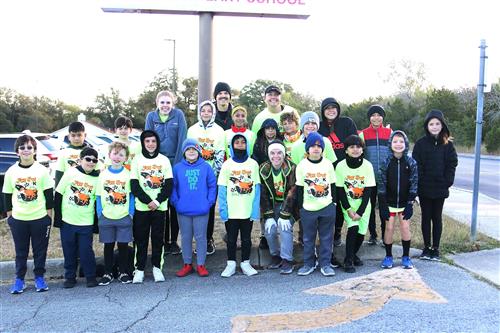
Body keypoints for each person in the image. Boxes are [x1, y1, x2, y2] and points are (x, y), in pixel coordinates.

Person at [3, 134, 54, 294]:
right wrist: (10, 217)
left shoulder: (41, 170)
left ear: (34, 150)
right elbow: (6, 195)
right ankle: (19, 280)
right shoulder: (11, 171)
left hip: (39, 218)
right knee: (21, 251)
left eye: (29, 147)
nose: (26, 150)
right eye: (22, 147)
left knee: (40, 251)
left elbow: (48, 194)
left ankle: (39, 277)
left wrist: (48, 216)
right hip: (19, 219)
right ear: (17, 151)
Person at [145, 90, 187, 255]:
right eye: (162, 102)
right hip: (157, 166)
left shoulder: (178, 115)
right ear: (157, 103)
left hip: (175, 163)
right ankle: (161, 241)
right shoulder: (151, 117)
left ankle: (173, 241)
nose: (165, 106)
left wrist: (176, 165)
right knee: (161, 204)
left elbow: (182, 139)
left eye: (168, 102)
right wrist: (154, 163)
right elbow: (148, 139)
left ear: (173, 103)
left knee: (174, 204)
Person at [412, 109, 457, 261]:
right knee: (426, 217)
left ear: (442, 125)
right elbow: (416, 165)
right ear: (427, 126)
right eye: (431, 124)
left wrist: (447, 182)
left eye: (437, 123)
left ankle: (435, 248)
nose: (435, 126)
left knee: (437, 217)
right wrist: (420, 184)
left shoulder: (448, 145)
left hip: (440, 188)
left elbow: (452, 163)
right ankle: (426, 248)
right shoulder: (420, 144)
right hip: (425, 188)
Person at [130, 130, 173, 283]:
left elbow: (168, 185)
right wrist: (148, 201)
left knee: (157, 238)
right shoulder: (137, 160)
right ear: (143, 143)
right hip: (142, 208)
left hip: (160, 207)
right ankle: (139, 269)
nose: (150, 144)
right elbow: (134, 185)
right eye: (147, 141)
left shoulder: (164, 160)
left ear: (157, 143)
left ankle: (157, 267)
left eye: (153, 141)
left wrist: (157, 201)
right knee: (140, 239)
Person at [54, 147, 100, 288]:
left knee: (86, 250)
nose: (91, 162)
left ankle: (90, 276)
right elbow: (59, 195)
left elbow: (96, 202)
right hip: (67, 220)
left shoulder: (97, 178)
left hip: (85, 221)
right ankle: (70, 277)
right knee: (69, 250)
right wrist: (58, 218)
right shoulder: (70, 173)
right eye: (88, 159)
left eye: (94, 160)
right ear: (80, 160)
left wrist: (95, 224)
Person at [171, 139, 217, 277]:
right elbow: (173, 186)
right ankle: (187, 264)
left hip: (201, 209)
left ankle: (201, 264)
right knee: (185, 237)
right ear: (184, 152)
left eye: (194, 149)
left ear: (198, 152)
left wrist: (209, 201)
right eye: (188, 149)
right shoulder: (178, 168)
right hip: (183, 209)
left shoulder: (206, 167)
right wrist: (175, 201)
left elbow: (212, 185)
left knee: (201, 237)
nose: (191, 152)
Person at [218, 133, 261, 277]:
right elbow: (222, 188)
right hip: (232, 211)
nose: (240, 145)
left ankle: (245, 263)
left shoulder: (253, 164)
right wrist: (223, 209)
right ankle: (231, 264)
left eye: (243, 142)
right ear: (232, 146)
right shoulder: (227, 165)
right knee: (231, 239)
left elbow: (257, 188)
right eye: (237, 143)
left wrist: (255, 210)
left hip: (247, 210)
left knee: (246, 238)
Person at [318, 97, 358, 248]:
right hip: (324, 171)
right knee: (328, 204)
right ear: (323, 111)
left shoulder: (346, 123)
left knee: (342, 203)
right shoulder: (319, 126)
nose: (331, 110)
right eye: (327, 108)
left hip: (344, 170)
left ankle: (337, 234)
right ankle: (325, 234)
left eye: (333, 107)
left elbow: (354, 143)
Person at [295, 132, 337, 276]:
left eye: (319, 146)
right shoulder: (302, 166)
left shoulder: (328, 164)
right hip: (308, 208)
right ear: (307, 149)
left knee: (326, 237)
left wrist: (334, 204)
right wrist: (301, 208)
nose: (316, 148)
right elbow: (300, 189)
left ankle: (325, 264)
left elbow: (333, 185)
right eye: (312, 145)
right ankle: (309, 263)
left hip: (327, 206)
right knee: (308, 238)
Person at [187, 100, 225, 255]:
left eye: (209, 111)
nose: (206, 113)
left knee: (208, 208)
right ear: (199, 112)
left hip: (211, 176)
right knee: (196, 208)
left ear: (213, 113)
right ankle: (197, 240)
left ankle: (208, 239)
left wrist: (213, 175)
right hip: (195, 175)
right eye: (203, 110)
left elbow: (220, 153)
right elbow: (188, 152)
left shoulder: (219, 131)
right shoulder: (192, 130)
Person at [335, 135, 376, 273]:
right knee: (353, 228)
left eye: (358, 147)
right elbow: (340, 190)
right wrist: (348, 209)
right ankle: (348, 260)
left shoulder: (367, 166)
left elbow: (368, 190)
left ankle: (353, 254)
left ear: (362, 149)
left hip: (363, 205)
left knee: (361, 232)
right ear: (346, 150)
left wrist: (360, 211)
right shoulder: (340, 166)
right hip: (348, 204)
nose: (355, 149)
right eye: (351, 147)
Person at [96, 142, 134, 285]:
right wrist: (100, 213)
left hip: (123, 215)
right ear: (109, 155)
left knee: (123, 246)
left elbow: (131, 196)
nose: (117, 157)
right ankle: (108, 272)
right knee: (108, 245)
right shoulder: (103, 175)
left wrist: (130, 213)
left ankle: (123, 272)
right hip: (107, 216)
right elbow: (98, 196)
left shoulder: (128, 175)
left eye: (121, 155)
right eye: (115, 154)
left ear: (126, 158)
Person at [378, 131, 418, 269]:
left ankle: (406, 257)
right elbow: (381, 184)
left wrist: (410, 203)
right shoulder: (386, 162)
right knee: (389, 228)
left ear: (405, 144)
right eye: (395, 141)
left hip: (404, 202)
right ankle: (388, 256)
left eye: (401, 141)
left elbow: (414, 183)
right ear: (390, 144)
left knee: (405, 227)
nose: (398, 144)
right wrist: (382, 204)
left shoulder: (411, 162)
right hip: (389, 202)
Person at [259, 140, 298, 274]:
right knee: (269, 229)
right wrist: (269, 216)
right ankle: (275, 256)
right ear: (269, 155)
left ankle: (287, 259)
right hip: (272, 204)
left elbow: (293, 192)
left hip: (290, 205)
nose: (276, 156)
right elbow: (263, 194)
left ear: (284, 154)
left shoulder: (292, 168)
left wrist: (285, 214)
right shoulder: (263, 169)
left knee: (284, 226)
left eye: (279, 152)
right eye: (273, 153)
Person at [359, 105, 392, 245]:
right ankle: (373, 234)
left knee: (385, 208)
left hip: (385, 178)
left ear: (383, 117)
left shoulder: (390, 133)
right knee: (369, 207)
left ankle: (385, 236)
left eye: (379, 115)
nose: (376, 118)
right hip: (369, 178)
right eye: (373, 115)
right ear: (369, 118)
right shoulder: (363, 134)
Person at [55, 121, 89, 187]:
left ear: (85, 135)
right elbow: (59, 174)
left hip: (86, 188)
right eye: (73, 135)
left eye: (79, 135)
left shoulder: (91, 152)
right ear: (68, 137)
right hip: (68, 190)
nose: (76, 138)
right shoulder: (63, 153)